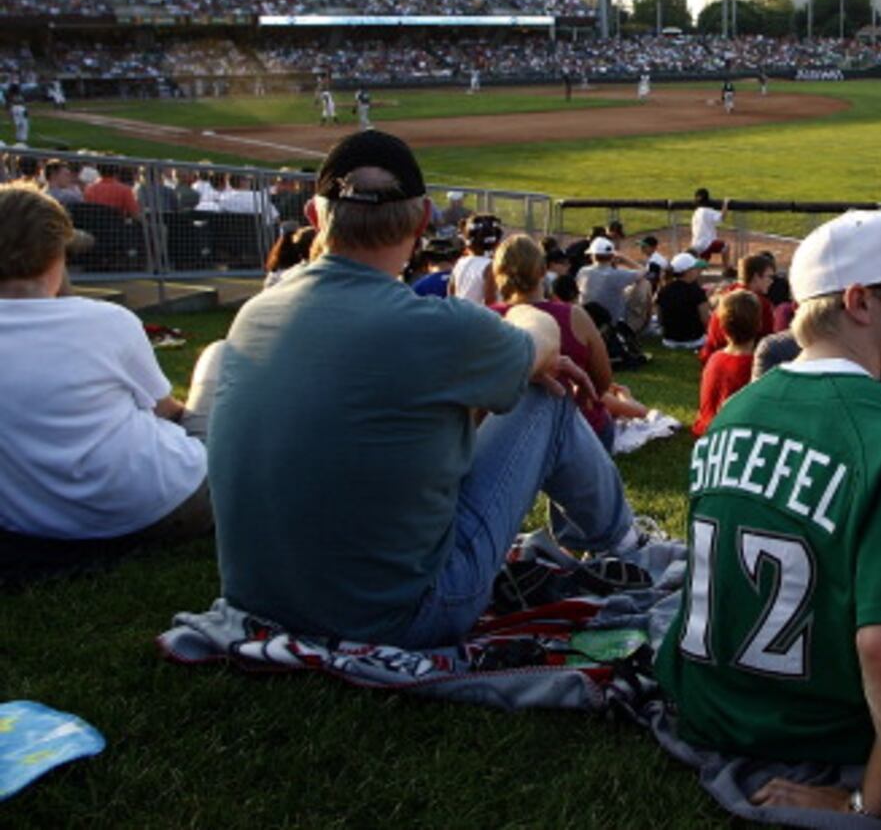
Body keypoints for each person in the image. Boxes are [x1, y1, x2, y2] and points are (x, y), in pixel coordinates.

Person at [205, 130, 640, 647]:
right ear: (421, 219)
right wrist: (526, 313)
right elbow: (543, 343)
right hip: (402, 616)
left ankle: (612, 541)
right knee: (543, 397)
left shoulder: (254, 314)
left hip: (261, 601)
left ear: (316, 219)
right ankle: (625, 546)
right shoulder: (433, 326)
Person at [656, 210, 881, 826]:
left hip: (708, 704)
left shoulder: (737, 410)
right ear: (860, 300)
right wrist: (874, 804)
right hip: (817, 729)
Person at [0, 183, 211, 571]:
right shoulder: (105, 321)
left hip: (33, 523)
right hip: (164, 507)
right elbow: (168, 411)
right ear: (55, 256)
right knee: (218, 358)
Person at [494, 234, 616, 453]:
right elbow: (603, 380)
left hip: (510, 433)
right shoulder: (574, 316)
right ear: (543, 271)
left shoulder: (488, 318)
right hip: (575, 426)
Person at [692, 290, 760, 437]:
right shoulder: (754, 366)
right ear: (758, 324)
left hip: (706, 428)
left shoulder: (715, 358)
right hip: (727, 434)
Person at [697, 253, 775, 363]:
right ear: (756, 276)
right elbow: (767, 342)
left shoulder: (729, 292)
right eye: (769, 276)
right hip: (734, 358)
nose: (772, 281)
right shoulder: (760, 303)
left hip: (713, 357)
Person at [575, 236, 646, 327]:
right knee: (644, 284)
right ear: (612, 256)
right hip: (612, 323)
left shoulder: (583, 271)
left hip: (586, 321)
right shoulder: (617, 274)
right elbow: (643, 270)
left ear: (592, 256)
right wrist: (625, 260)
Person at [656, 252, 711, 350]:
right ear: (688, 271)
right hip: (694, 341)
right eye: (695, 268)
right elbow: (705, 320)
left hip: (669, 341)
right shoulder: (697, 291)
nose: (697, 270)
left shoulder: (664, 290)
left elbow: (660, 319)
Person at [449, 213, 502, 305]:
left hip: (458, 316)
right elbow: (490, 302)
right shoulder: (490, 267)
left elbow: (451, 294)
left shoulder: (460, 262)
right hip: (479, 318)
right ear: (497, 243)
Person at [688, 187, 731, 271]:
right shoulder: (708, 211)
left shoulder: (695, 213)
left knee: (703, 264)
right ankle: (727, 269)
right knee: (725, 247)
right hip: (707, 243)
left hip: (695, 245)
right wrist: (725, 204)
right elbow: (722, 217)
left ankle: (694, 277)